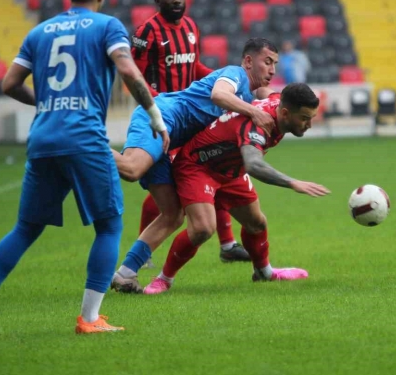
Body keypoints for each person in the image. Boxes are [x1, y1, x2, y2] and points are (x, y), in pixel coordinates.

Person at [0, 0, 168, 338]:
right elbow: (127, 69)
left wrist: (45, 105)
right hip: (85, 138)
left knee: (25, 228)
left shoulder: (39, 32)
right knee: (109, 226)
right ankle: (89, 319)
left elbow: (8, 84)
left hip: (43, 138)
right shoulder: (107, 26)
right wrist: (154, 114)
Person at [109, 39, 278, 292]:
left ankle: (125, 274)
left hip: (175, 141)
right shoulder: (235, 75)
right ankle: (83, 140)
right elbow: (218, 95)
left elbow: (272, 97)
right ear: (248, 61)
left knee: (172, 215)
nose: (272, 70)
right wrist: (254, 112)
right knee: (132, 169)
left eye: (275, 64)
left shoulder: (249, 95)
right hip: (164, 116)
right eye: (267, 62)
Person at [142, 83, 330, 295]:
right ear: (285, 113)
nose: (309, 125)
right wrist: (293, 183)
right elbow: (254, 165)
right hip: (198, 166)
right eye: (305, 118)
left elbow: (266, 92)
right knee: (202, 228)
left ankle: (264, 272)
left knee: (257, 223)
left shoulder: (280, 103)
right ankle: (163, 280)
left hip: (231, 171)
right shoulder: (258, 126)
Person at [131, 0, 249, 264]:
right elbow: (134, 74)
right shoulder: (146, 31)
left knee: (211, 171)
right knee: (170, 187)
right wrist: (156, 106)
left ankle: (228, 244)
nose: (176, 1)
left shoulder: (191, 27)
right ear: (158, 0)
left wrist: (218, 77)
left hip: (194, 115)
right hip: (166, 117)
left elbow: (193, 66)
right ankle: (142, 250)